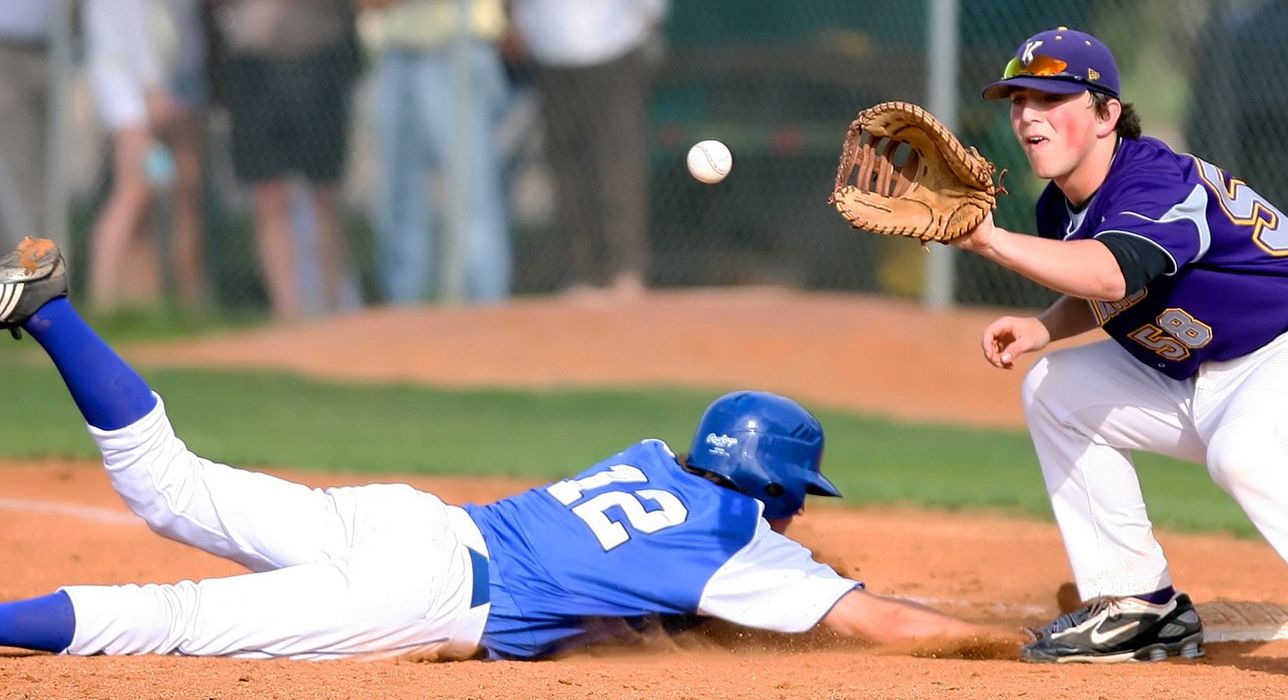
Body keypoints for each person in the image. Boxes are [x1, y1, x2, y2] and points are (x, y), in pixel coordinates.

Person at [0, 237, 989, 660]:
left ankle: (49, 315)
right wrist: (1013, 644)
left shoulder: (646, 456)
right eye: (796, 492)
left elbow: (621, 586)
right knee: (174, 620)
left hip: (403, 518)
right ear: (770, 482)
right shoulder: (741, 545)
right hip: (425, 594)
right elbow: (890, 630)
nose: (800, 511)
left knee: (168, 483)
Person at [952, 27, 1288, 683]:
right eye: (1018, 99)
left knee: (1247, 452)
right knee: (1054, 388)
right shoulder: (1058, 208)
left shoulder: (1154, 180)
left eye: (1050, 97)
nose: (1028, 114)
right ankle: (1138, 608)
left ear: (1107, 113)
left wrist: (988, 242)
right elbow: (1118, 287)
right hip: (1208, 376)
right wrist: (1044, 328)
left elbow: (1118, 271)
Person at [214, 0, 360, 320]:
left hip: (319, 53)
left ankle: (336, 308)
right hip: (253, 62)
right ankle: (287, 313)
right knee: (269, 193)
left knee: (324, 190)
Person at [508, 0, 665, 299]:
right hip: (550, 51)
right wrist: (522, 27)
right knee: (565, 165)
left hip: (615, 45)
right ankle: (582, 273)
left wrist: (646, 19)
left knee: (616, 161)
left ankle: (624, 269)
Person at [361, 0, 514, 305]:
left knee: (472, 193)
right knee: (398, 195)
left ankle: (487, 307)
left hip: (459, 48)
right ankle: (404, 308)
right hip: (396, 52)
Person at [83, 0, 211, 313]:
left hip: (177, 80)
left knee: (178, 190)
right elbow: (130, 27)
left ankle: (164, 303)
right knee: (135, 193)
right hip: (132, 85)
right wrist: (151, 87)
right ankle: (103, 302)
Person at [0, 0, 52, 249]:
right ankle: (28, 278)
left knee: (41, 182)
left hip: (50, 46)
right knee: (19, 185)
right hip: (9, 45)